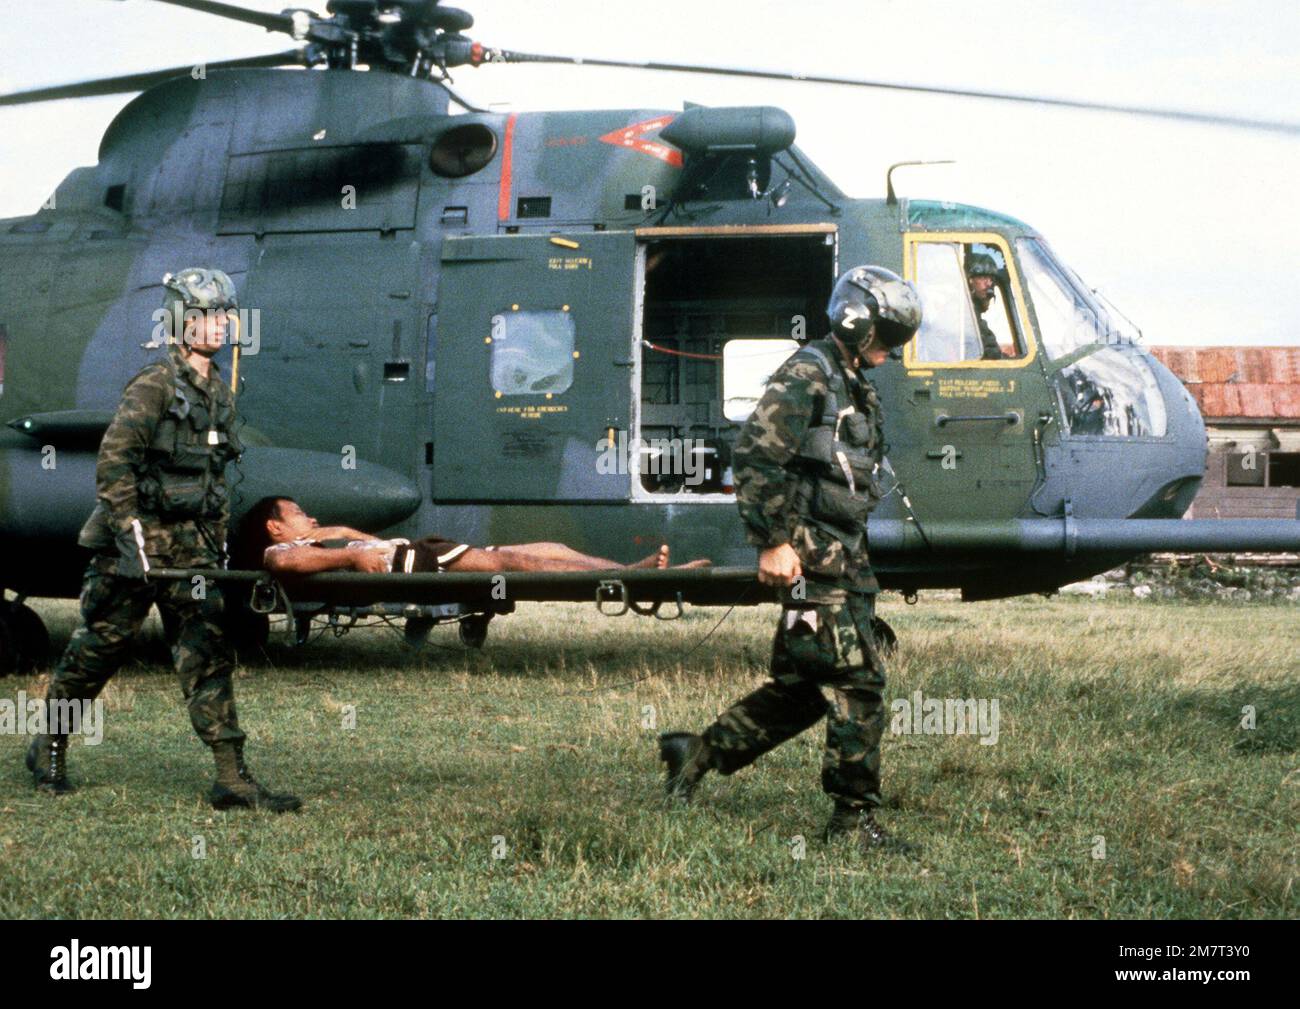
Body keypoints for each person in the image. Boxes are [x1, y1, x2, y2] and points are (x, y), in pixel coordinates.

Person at [657, 265, 922, 853]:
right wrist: (772, 542)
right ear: (856, 325)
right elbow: (755, 455)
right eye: (886, 341)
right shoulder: (808, 373)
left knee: (805, 683)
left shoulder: (852, 379)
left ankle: (696, 753)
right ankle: (852, 823)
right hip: (808, 558)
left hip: (842, 555)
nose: (889, 355)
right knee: (859, 680)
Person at [27, 268, 301, 813]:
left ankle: (231, 777)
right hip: (133, 545)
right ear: (180, 322)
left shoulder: (218, 391)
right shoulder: (153, 385)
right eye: (204, 316)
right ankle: (49, 745)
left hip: (191, 548)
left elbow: (214, 478)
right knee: (96, 652)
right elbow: (114, 462)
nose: (218, 326)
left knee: (206, 653)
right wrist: (130, 535)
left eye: (224, 315)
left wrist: (215, 541)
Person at [235, 496, 710, 575]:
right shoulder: (283, 548)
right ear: (275, 526)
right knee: (508, 564)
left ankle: (625, 572)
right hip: (415, 563)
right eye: (298, 514)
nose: (308, 517)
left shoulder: (322, 537)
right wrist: (347, 556)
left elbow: (368, 544)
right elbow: (280, 565)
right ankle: (630, 576)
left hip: (418, 551)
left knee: (545, 548)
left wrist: (342, 536)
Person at [967, 252, 1004, 360]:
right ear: (970, 280)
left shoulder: (973, 313)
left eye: (991, 279)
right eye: (983, 277)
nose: (988, 284)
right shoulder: (964, 315)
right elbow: (990, 353)